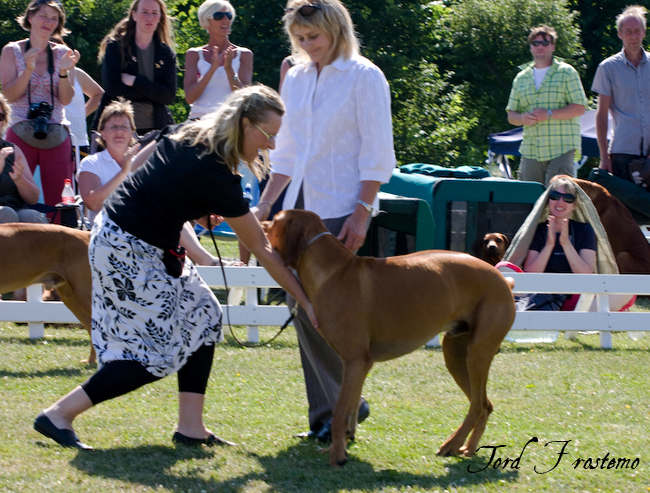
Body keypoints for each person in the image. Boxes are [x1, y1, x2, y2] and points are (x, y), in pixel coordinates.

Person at [33, 84, 317, 450]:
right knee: (151, 355)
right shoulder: (214, 169)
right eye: (268, 135)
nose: (272, 146)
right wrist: (305, 300)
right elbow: (260, 247)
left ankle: (190, 428)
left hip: (133, 240)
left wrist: (189, 207)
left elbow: (147, 171)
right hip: (128, 249)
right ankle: (58, 414)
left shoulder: (193, 131)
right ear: (245, 124)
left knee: (204, 313)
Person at [253, 0, 396, 442]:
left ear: (335, 29)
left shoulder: (365, 76)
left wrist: (361, 211)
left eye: (313, 37)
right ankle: (331, 413)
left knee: (333, 314)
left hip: (340, 206)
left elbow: (378, 152)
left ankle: (338, 410)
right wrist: (265, 203)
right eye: (299, 39)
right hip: (295, 211)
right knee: (301, 307)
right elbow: (287, 151)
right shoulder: (294, 77)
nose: (306, 45)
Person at [79, 98, 231, 266]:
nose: (119, 132)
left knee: (169, 211)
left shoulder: (144, 162)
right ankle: (204, 261)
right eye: (114, 127)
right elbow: (92, 203)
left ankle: (200, 262)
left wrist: (200, 214)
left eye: (124, 127)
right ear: (102, 133)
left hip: (144, 231)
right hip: (108, 232)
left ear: (132, 133)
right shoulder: (92, 163)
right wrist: (124, 172)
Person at [0, 0, 77, 213]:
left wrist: (63, 72)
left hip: (55, 132)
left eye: (54, 18)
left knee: (61, 201)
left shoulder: (63, 53)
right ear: (30, 17)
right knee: (16, 194)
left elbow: (66, 99)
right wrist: (28, 69)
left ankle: (61, 239)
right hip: (19, 128)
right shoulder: (11, 51)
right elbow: (9, 95)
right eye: (44, 15)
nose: (49, 22)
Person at [506, 26, 588, 186]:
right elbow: (511, 116)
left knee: (558, 198)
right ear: (530, 47)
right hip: (531, 150)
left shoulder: (567, 72)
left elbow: (579, 108)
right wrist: (523, 118)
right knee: (529, 201)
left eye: (545, 42)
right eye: (535, 43)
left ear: (553, 46)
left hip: (562, 149)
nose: (540, 46)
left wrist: (549, 113)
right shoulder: (521, 78)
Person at [92, 0, 176, 136]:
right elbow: (112, 88)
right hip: (117, 128)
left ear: (160, 17)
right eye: (145, 12)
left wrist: (136, 82)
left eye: (154, 13)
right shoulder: (116, 47)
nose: (149, 17)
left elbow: (168, 96)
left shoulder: (166, 54)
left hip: (155, 129)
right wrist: (154, 92)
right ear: (134, 15)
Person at [592, 5, 650, 182]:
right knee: (622, 208)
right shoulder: (608, 68)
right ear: (620, 34)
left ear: (644, 32)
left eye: (637, 31)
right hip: (623, 150)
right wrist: (604, 157)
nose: (633, 36)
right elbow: (601, 114)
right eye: (628, 31)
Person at [184, 0, 252, 119]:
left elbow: (245, 100)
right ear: (206, 21)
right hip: (198, 122)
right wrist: (212, 69)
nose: (225, 20)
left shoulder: (244, 55)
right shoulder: (193, 54)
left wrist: (229, 70)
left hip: (229, 122)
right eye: (219, 16)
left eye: (229, 16)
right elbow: (190, 98)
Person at [0, 92, 47, 224]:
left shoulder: (12, 150)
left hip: (16, 209)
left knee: (34, 217)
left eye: (0, 116)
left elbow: (33, 198)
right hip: (6, 213)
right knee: (6, 214)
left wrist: (19, 179)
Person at [65, 63, 104, 157]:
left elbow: (99, 95)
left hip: (78, 141)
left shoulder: (77, 73)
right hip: (48, 140)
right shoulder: (36, 73)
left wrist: (80, 114)